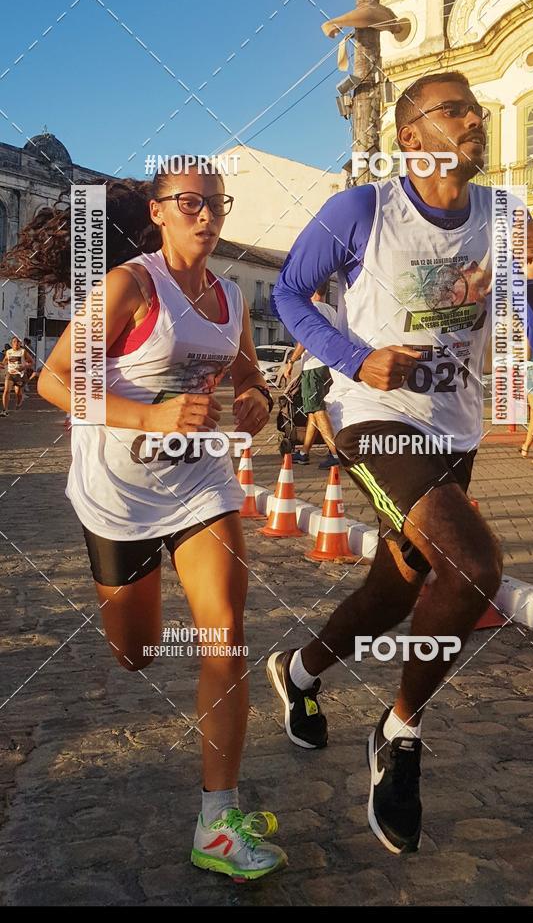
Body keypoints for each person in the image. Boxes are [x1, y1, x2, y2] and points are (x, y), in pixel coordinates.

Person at [268, 70, 533, 854]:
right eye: (455, 109)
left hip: (454, 430)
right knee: (472, 566)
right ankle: (399, 733)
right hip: (373, 418)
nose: (474, 118)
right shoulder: (363, 209)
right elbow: (290, 294)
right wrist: (355, 358)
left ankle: (298, 671)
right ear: (411, 136)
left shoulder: (504, 216)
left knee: (397, 585)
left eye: (475, 107)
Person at [2, 164, 286, 881]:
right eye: (190, 201)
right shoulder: (132, 284)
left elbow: (247, 374)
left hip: (199, 483)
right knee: (136, 651)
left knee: (225, 630)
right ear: (159, 212)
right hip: (118, 495)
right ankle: (139, 633)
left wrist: (259, 401)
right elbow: (54, 378)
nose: (206, 212)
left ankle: (216, 819)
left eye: (216, 201)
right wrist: (147, 414)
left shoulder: (227, 297)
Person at [281, 284, 339, 468]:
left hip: (313, 366)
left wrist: (291, 361)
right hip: (328, 364)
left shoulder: (312, 309)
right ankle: (304, 452)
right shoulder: (331, 311)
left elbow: (305, 338)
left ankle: (336, 454)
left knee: (317, 409)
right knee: (313, 410)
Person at [2, 337, 26, 415]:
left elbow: (31, 362)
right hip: (10, 374)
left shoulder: (23, 351)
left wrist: (24, 367)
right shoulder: (8, 352)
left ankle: (19, 402)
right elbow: (5, 361)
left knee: (18, 393)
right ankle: (5, 410)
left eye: (18, 342)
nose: (16, 343)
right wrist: (2, 365)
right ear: (12, 343)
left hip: (19, 375)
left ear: (20, 343)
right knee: (6, 391)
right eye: (14, 342)